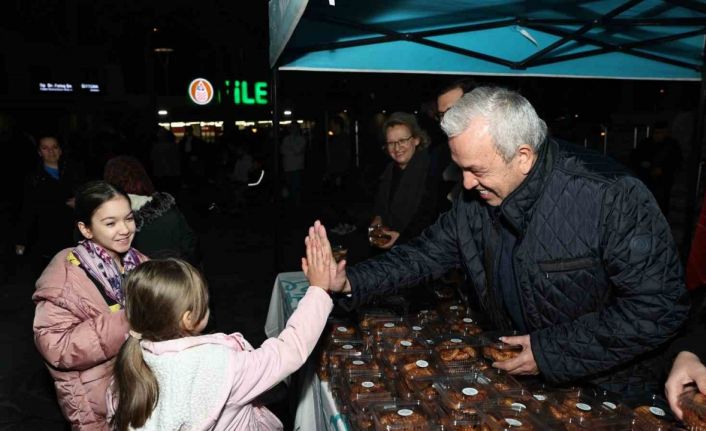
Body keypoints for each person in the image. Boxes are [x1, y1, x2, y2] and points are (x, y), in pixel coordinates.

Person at [311, 86, 689, 399]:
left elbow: (658, 306)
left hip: (611, 391)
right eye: (461, 169)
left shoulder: (610, 196)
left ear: (523, 157)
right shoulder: (475, 200)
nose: (467, 184)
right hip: (520, 381)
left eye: (477, 170)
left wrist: (548, 352)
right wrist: (350, 282)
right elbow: (422, 256)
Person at [107, 231, 334, 430]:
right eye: (202, 302)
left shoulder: (129, 365)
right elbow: (288, 350)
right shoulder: (220, 367)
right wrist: (318, 290)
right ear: (188, 319)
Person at [32, 180, 149, 430]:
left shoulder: (139, 262)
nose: (125, 230)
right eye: (110, 223)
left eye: (128, 219)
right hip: (95, 403)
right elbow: (55, 346)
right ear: (86, 230)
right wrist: (128, 320)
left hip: (138, 390)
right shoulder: (66, 275)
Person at [104, 155, 198, 264]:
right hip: (170, 275)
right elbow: (190, 247)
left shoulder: (102, 219)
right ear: (142, 176)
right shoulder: (168, 211)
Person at [370, 112, 438, 249]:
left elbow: (428, 217)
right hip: (392, 249)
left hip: (421, 250)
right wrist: (378, 219)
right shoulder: (390, 170)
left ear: (416, 140)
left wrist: (401, 236)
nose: (397, 148)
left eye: (402, 140)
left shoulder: (431, 171)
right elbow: (381, 203)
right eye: (391, 143)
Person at [16, 134, 83, 271]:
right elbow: (28, 209)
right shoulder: (34, 178)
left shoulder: (73, 171)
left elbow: (88, 193)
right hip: (47, 236)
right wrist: (21, 240)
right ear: (39, 152)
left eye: (54, 147)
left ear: (60, 150)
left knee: (76, 271)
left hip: (73, 234)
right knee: (53, 274)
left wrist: (80, 200)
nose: (51, 151)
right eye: (45, 148)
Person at [630, 121, 683, 215]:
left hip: (663, 180)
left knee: (662, 204)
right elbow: (635, 158)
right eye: (656, 133)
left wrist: (663, 170)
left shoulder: (672, 145)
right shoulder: (645, 143)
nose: (659, 135)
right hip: (646, 178)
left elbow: (677, 162)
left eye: (661, 132)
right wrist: (644, 166)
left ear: (666, 133)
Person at [281, 122, 306, 207]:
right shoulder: (286, 139)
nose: (292, 129)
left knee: (296, 189)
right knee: (288, 189)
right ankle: (289, 206)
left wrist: (290, 148)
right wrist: (292, 149)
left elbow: (298, 150)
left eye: (294, 127)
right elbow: (283, 151)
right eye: (291, 127)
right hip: (287, 168)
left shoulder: (302, 139)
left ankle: (297, 207)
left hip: (297, 168)